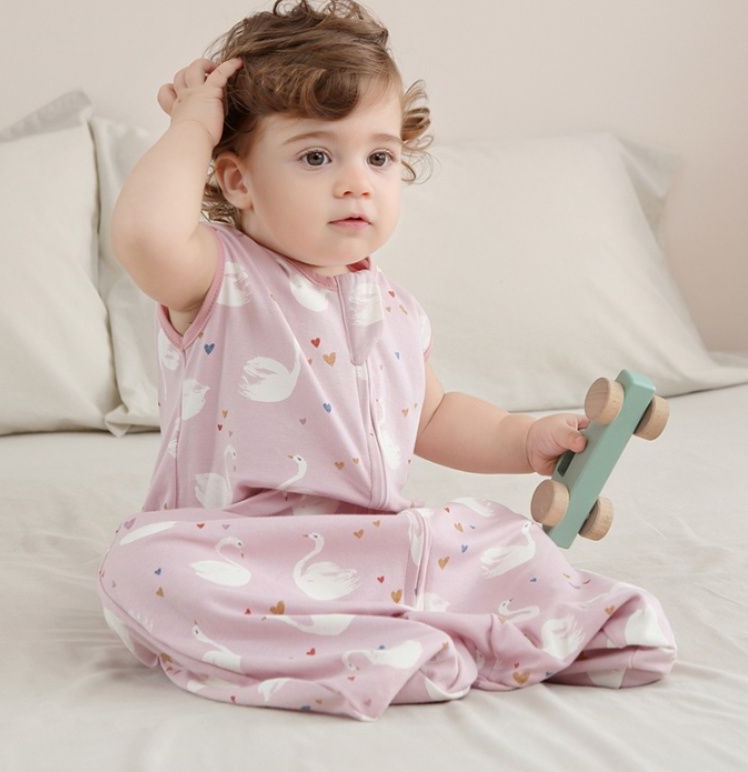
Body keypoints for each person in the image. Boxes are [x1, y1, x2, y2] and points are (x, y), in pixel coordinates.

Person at [97, 0, 676, 720]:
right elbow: (145, 236)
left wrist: (524, 438)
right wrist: (192, 125)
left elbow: (433, 415)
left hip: (370, 547)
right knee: (140, 568)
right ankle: (385, 650)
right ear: (238, 182)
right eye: (316, 157)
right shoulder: (219, 277)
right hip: (241, 553)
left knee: (491, 536)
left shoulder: (396, 309)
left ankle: (563, 625)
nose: (356, 182)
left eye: (379, 157)